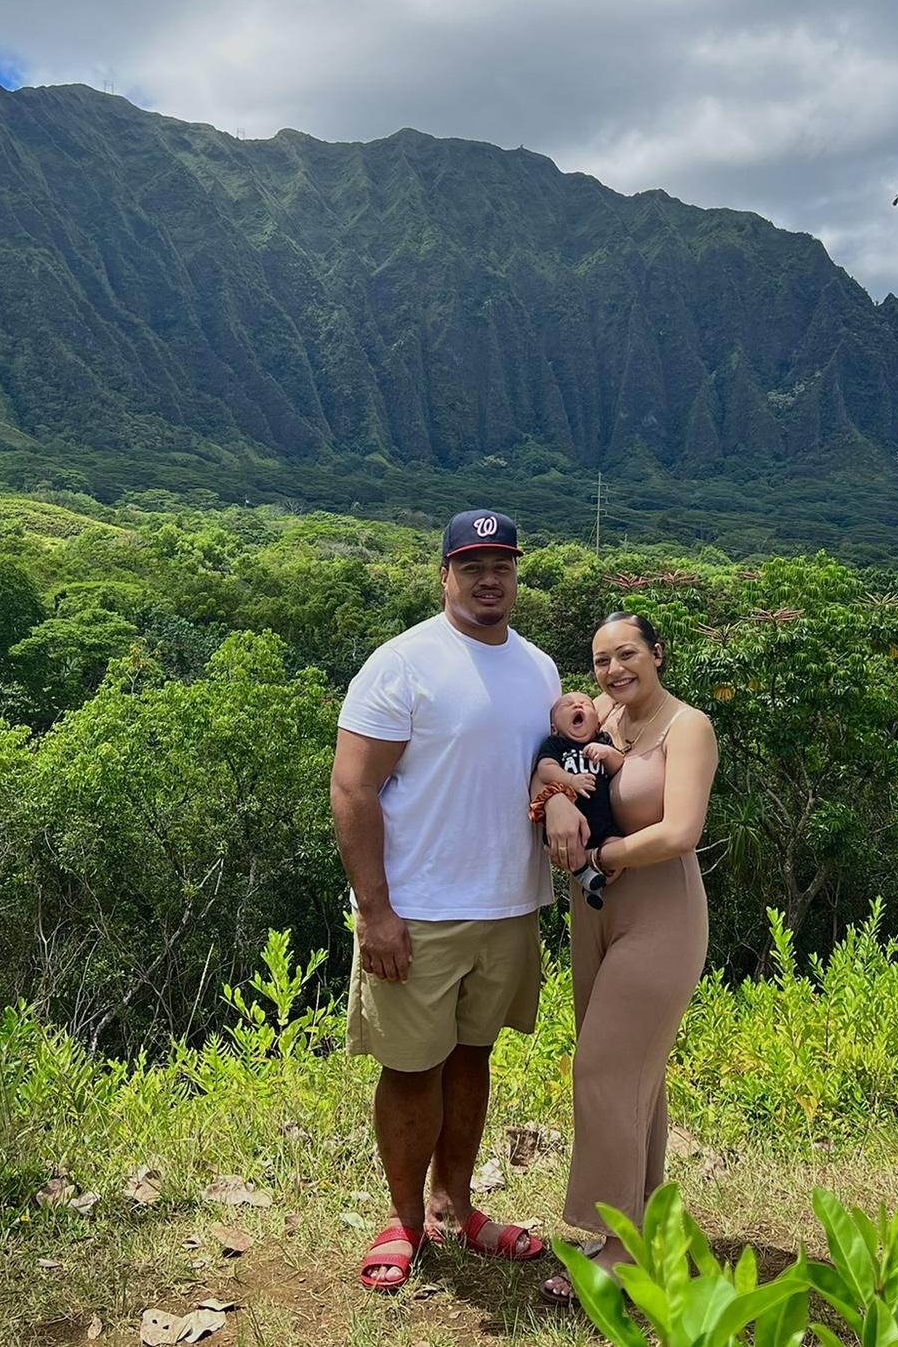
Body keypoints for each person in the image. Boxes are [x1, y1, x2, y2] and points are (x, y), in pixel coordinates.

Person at [331, 509, 560, 1293]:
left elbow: (546, 768)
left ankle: (453, 1207)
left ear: (516, 575)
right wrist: (376, 912)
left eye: (502, 565)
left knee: (472, 1056)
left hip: (510, 903)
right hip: (420, 908)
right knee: (409, 1066)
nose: (490, 579)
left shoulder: (540, 669)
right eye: (473, 566)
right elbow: (353, 788)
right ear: (445, 576)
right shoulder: (404, 663)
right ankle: (402, 1220)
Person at [535, 611, 719, 1307]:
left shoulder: (687, 726)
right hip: (594, 914)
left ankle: (614, 1247)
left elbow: (680, 831)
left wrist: (606, 854)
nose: (614, 670)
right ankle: (643, 1226)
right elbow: (553, 761)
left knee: (604, 1068)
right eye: (602, 660)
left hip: (660, 913)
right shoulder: (603, 717)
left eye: (628, 654)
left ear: (657, 653)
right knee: (636, 1077)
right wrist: (556, 799)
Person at [533, 691, 627, 909]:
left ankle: (595, 884)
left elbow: (618, 765)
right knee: (570, 849)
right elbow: (545, 769)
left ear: (597, 724)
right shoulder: (556, 745)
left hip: (603, 824)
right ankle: (584, 875)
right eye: (567, 705)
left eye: (585, 704)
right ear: (554, 727)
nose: (577, 706)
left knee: (617, 850)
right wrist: (570, 780)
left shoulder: (603, 741)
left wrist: (607, 753)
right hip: (570, 826)